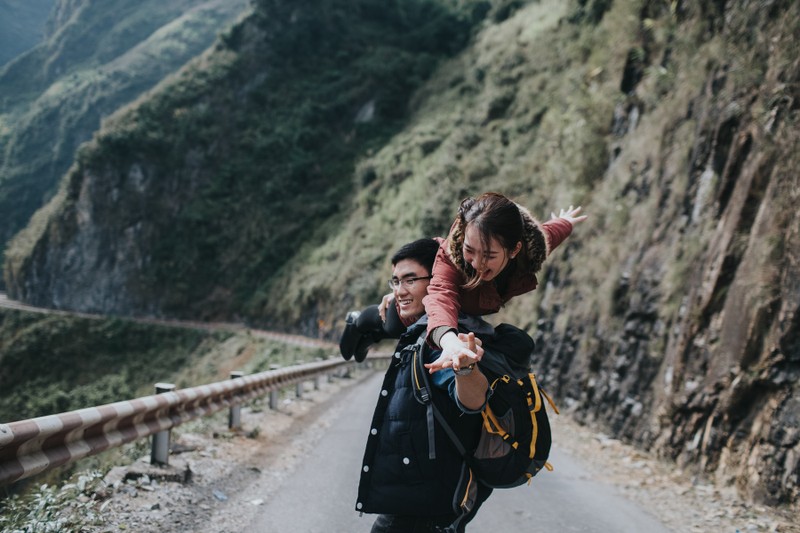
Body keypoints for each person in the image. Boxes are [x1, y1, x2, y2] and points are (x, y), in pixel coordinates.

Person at [349, 238, 495, 532]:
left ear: (438, 280)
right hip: (426, 500)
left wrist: (465, 369)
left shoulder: (445, 339)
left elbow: (473, 401)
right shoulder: (422, 331)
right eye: (394, 282)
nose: (399, 290)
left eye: (409, 280)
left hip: (425, 507)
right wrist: (400, 298)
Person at [387, 192, 586, 375]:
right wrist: (449, 342)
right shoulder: (450, 256)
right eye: (469, 250)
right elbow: (441, 296)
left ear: (515, 250)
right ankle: (357, 324)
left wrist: (566, 221)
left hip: (465, 317)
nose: (477, 263)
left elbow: (550, 234)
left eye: (489, 255)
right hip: (424, 313)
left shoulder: (529, 253)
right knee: (389, 321)